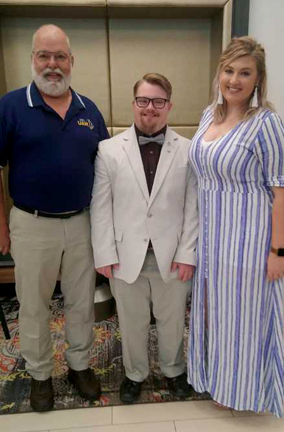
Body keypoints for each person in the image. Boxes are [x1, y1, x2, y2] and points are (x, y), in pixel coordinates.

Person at [0, 24, 109, 412]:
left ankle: (79, 365)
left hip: (82, 223)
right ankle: (39, 374)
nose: (53, 65)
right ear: (33, 59)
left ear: (71, 61)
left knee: (81, 301)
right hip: (31, 224)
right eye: (44, 56)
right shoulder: (11, 107)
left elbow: (106, 168)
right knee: (33, 304)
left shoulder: (89, 110)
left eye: (60, 57)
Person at [187, 36, 284, 417]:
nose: (234, 80)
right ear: (220, 73)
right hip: (213, 241)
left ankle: (246, 391)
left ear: (257, 79)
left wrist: (279, 252)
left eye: (244, 73)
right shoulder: (208, 116)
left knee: (246, 321)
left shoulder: (267, 124)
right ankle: (218, 379)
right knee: (215, 314)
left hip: (250, 243)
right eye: (229, 70)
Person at [91, 73, 198, 403]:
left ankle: (174, 370)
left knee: (171, 320)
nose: (149, 108)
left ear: (169, 106)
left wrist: (188, 253)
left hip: (172, 254)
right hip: (125, 255)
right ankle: (135, 373)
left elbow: (193, 208)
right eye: (143, 100)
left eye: (158, 101)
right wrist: (104, 254)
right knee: (132, 321)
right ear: (133, 103)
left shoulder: (189, 150)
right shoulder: (108, 150)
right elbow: (100, 207)